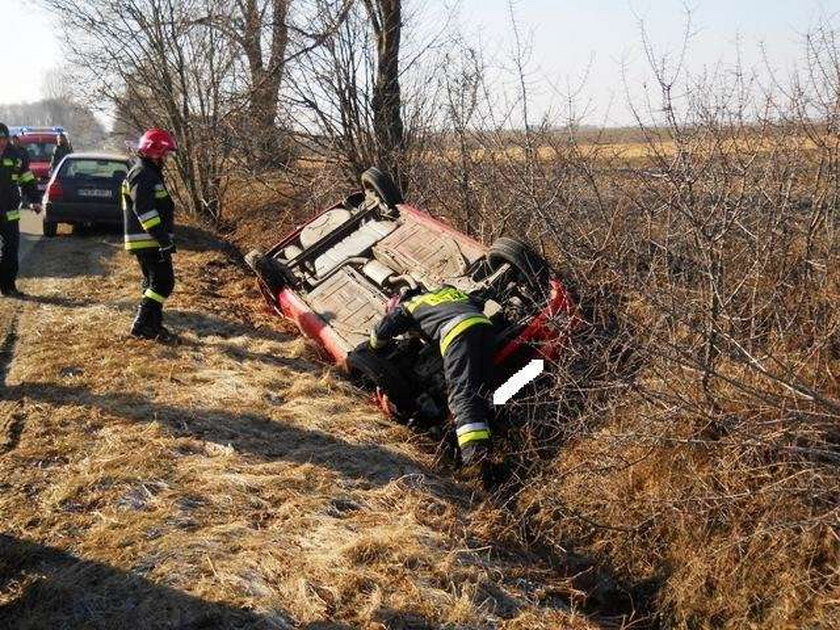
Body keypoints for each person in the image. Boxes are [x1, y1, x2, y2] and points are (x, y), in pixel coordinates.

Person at [367, 285, 496, 471]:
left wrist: (375, 348)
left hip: (456, 335)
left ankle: (476, 459)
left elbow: (380, 333)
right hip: (483, 326)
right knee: (483, 388)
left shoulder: (409, 306)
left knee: (462, 396)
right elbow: (477, 301)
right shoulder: (444, 293)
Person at [121, 128, 178, 341]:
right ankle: (141, 324)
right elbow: (145, 210)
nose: (165, 158)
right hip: (149, 240)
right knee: (163, 283)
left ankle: (152, 327)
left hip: (150, 240)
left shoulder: (147, 171)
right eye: (163, 153)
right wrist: (163, 239)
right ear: (152, 151)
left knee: (153, 283)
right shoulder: (142, 174)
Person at [0, 123, 41, 297]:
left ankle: (8, 286)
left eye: (3, 139)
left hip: (9, 212)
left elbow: (26, 179)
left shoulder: (17, 156)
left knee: (11, 250)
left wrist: (34, 200)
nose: (1, 143)